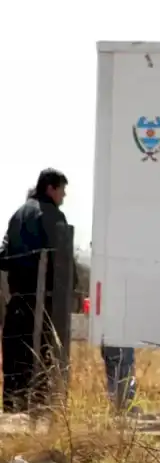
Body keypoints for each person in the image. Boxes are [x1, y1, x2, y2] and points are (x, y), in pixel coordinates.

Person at [0, 169, 71, 412]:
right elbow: (63, 263)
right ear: (51, 188)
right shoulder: (52, 216)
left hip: (17, 300)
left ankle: (11, 412)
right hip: (45, 304)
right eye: (62, 190)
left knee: (14, 363)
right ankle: (39, 414)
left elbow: (3, 257)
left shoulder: (17, 214)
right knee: (43, 360)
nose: (64, 196)